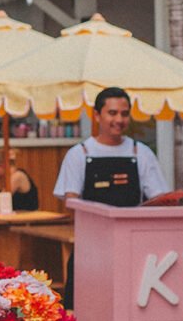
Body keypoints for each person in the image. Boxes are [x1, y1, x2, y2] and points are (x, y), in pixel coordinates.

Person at [53, 86, 169, 307]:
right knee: (84, 311)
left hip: (133, 250)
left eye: (124, 114)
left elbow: (159, 199)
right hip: (90, 250)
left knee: (129, 307)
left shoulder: (141, 153)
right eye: (112, 113)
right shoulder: (79, 154)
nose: (119, 119)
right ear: (97, 115)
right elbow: (71, 202)